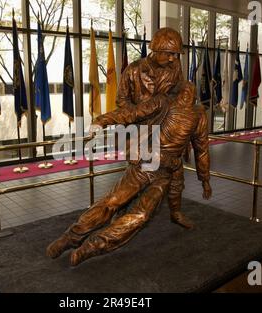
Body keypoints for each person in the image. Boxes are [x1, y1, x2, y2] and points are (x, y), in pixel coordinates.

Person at [46, 28, 211, 266]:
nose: (175, 59)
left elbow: (197, 138)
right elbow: (125, 105)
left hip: (166, 153)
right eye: (169, 53)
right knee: (116, 200)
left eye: (177, 54)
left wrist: (170, 121)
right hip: (141, 141)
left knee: (145, 205)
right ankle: (71, 238)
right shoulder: (134, 71)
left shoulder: (177, 76)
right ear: (156, 49)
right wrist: (143, 117)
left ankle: (95, 243)